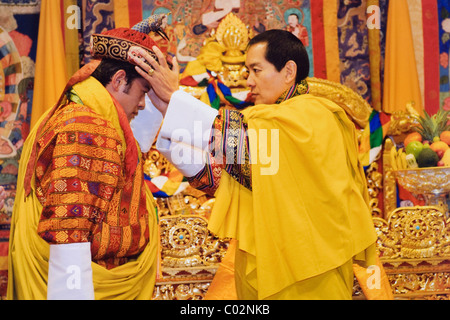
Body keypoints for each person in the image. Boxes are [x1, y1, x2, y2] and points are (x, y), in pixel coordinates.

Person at [131, 29, 392, 300]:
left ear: (289, 71)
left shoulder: (315, 116)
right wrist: (166, 109)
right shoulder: (270, 119)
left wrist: (175, 99)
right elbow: (229, 172)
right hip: (274, 257)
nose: (249, 82)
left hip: (312, 270)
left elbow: (238, 142)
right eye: (248, 72)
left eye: (256, 70)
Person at [7, 18, 175, 300]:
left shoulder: (80, 111)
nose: (144, 104)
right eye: (143, 92)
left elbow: (137, 140)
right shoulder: (89, 126)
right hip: (88, 284)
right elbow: (69, 229)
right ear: (119, 80)